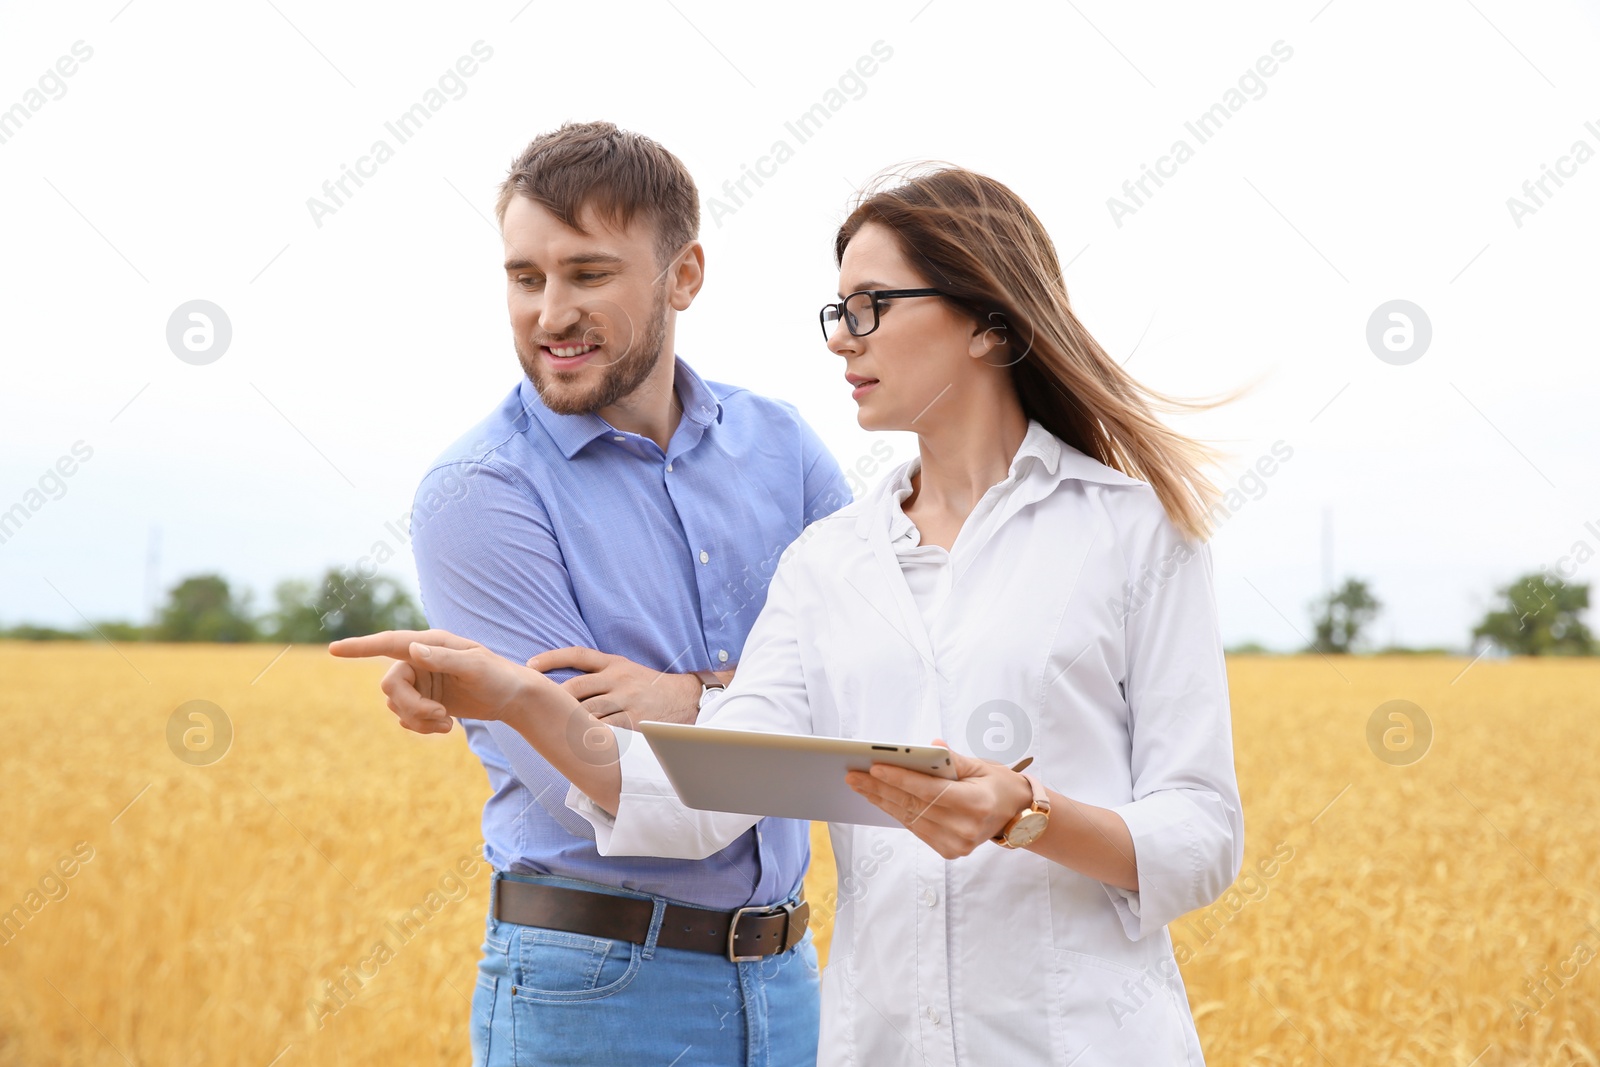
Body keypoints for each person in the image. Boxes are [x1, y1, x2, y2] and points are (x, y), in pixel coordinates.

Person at [335, 165, 1248, 1065]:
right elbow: (706, 797)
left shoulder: (1137, 533)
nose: (842, 340)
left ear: (987, 321)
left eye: (872, 306)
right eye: (837, 309)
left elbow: (1203, 831)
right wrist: (516, 696)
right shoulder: (829, 563)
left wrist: (1028, 814)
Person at [379, 121, 850, 1066]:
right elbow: (606, 781)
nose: (549, 313)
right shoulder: (479, 493)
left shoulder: (782, 445)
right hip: (592, 988)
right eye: (525, 277)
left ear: (683, 276)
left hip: (792, 978)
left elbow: (886, 669)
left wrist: (689, 695)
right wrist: (784, 704)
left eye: (588, 275)